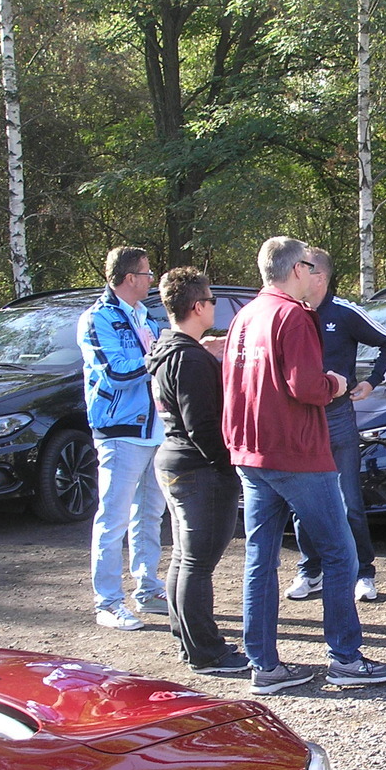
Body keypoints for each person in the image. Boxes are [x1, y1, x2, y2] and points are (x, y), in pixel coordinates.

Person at [222, 236, 386, 694]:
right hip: (296, 453)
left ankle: (264, 665)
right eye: (310, 266)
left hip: (250, 452)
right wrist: (337, 383)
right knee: (340, 552)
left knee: (260, 558)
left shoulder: (244, 316)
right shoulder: (292, 315)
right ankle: (345, 658)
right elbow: (305, 386)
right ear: (296, 268)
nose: (316, 274)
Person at [146, 267, 249, 674]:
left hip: (176, 461)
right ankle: (207, 651)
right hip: (196, 468)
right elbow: (202, 425)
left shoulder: (171, 348)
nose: (214, 307)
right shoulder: (188, 360)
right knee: (197, 562)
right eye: (210, 301)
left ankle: (187, 638)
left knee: (186, 558)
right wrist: (229, 465)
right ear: (196, 307)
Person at [284, 246, 386, 605]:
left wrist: (372, 381)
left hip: (337, 417)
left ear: (319, 276)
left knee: (349, 500)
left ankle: (364, 572)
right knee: (302, 502)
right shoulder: (290, 312)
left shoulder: (344, 312)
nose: (296, 274)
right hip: (300, 418)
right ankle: (310, 570)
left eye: (303, 268)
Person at [77, 246, 168, 631]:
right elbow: (115, 372)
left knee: (150, 513)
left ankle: (148, 589)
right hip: (119, 430)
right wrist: (161, 356)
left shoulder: (143, 315)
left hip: (154, 429)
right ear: (130, 278)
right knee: (112, 518)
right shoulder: (97, 318)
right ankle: (108, 602)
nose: (151, 280)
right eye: (147, 274)